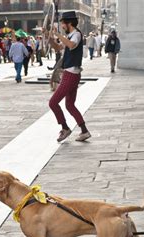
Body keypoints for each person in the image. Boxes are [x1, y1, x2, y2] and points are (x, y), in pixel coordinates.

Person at [48, 11, 91, 142]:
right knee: (70, 105)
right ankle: (84, 131)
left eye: (62, 23)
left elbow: (71, 45)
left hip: (71, 74)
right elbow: (59, 47)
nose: (61, 26)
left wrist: (57, 34)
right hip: (71, 74)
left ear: (69, 23)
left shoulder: (76, 35)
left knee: (53, 103)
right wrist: (49, 39)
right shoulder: (70, 35)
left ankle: (65, 128)